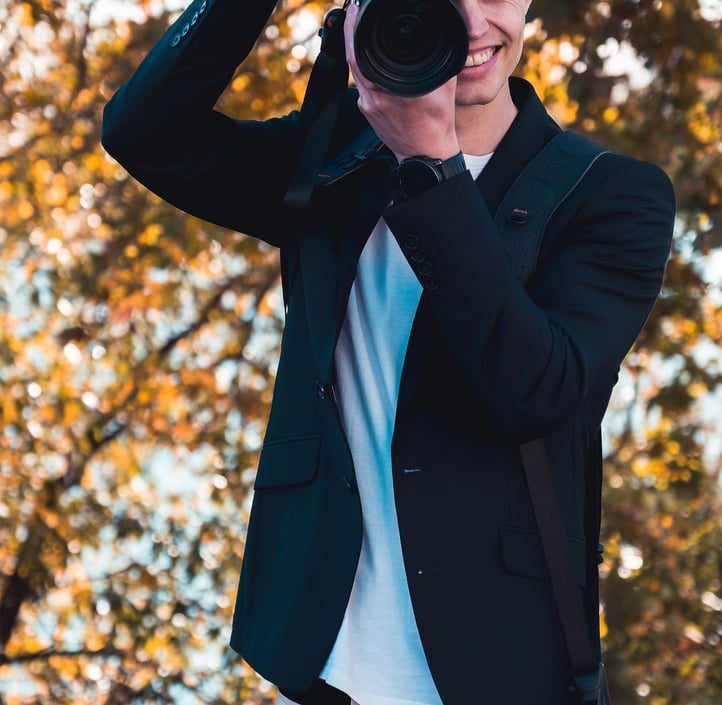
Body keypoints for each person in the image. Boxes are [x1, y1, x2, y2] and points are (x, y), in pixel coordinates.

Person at [101, 0, 676, 702]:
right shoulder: (335, 153)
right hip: (322, 660)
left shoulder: (612, 193)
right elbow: (144, 133)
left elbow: (530, 392)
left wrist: (430, 163)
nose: (472, 24)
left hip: (495, 666)